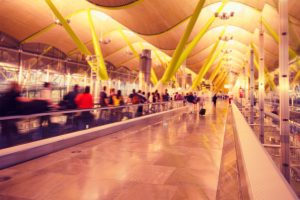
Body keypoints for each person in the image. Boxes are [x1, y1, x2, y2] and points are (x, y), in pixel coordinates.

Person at [0, 82, 30, 146]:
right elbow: (23, 100)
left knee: (5, 132)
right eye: (19, 87)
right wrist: (37, 99)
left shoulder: (7, 93)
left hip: (3, 116)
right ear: (17, 87)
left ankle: (5, 147)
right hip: (9, 117)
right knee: (12, 132)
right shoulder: (15, 93)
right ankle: (12, 147)